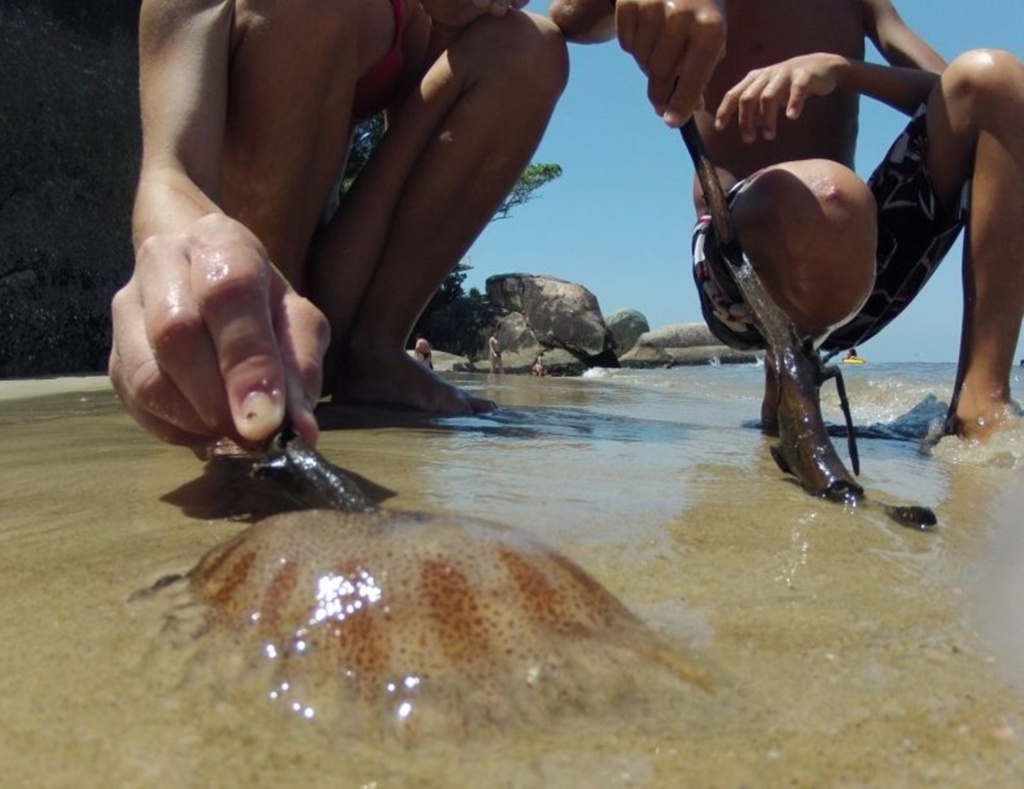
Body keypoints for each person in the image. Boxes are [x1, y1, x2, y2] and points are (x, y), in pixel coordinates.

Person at [107, 0, 568, 454]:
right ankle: (261, 352)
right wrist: (177, 266)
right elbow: (168, 174)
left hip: (338, 292)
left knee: (528, 48)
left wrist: (448, 23)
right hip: (234, 284)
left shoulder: (412, 14)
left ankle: (374, 351)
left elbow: (416, 156)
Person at [551, 0, 1024, 441]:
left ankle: (980, 400)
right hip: (739, 271)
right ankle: (786, 375)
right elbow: (566, 18)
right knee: (828, 196)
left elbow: (957, 96)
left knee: (997, 79)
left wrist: (841, 71)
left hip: (857, 263)